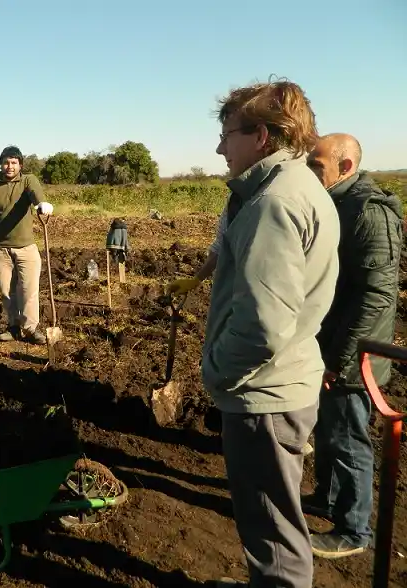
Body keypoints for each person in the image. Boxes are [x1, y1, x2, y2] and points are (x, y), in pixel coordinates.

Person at [201, 78, 340, 588]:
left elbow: (263, 327)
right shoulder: (300, 187)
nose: (220, 147)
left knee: (273, 529)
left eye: (227, 134)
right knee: (274, 521)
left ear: (260, 136)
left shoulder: (272, 204)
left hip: (263, 394)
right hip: (285, 381)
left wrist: (216, 371)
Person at [303, 133, 403, 558]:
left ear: (345, 167)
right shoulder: (335, 201)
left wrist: (341, 360)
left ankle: (353, 530)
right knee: (328, 431)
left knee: (347, 438)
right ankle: (326, 499)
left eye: (317, 164)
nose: (310, 171)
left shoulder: (368, 210)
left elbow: (376, 296)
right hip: (331, 346)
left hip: (353, 355)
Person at [0, 145, 54, 344]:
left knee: (29, 289)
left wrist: (41, 204)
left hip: (26, 247)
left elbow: (35, 194)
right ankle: (13, 327)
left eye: (14, 162)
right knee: (6, 291)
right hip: (1, 249)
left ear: (20, 164)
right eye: (6, 162)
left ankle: (30, 329)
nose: (9, 166)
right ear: (1, 164)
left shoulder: (28, 180)